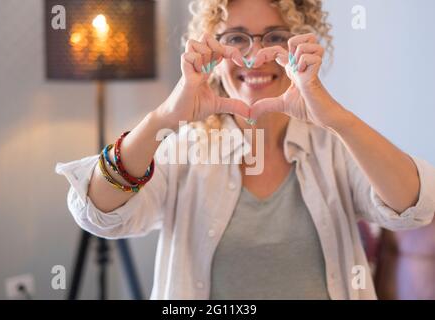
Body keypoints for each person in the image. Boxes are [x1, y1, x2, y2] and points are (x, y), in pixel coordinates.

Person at [55, 0, 435, 300]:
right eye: (236, 38)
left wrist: (337, 118)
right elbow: (98, 213)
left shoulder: (332, 145)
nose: (255, 56)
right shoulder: (185, 148)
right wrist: (164, 118)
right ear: (213, 57)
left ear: (299, 48)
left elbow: (415, 208)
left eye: (274, 38)